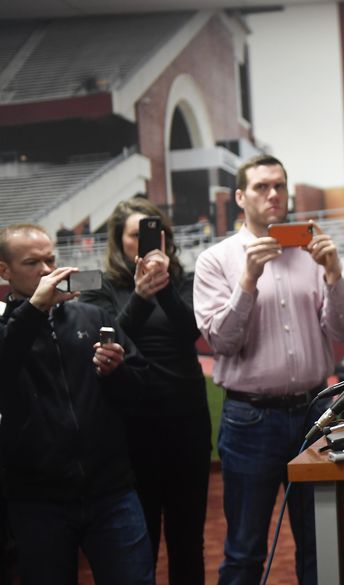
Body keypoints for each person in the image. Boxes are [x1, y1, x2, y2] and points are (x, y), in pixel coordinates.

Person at [193, 154, 344, 585]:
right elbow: (223, 342)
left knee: (319, 543)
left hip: (313, 414)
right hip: (250, 420)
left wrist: (334, 272)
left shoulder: (315, 251)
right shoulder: (217, 260)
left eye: (280, 186)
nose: (273, 194)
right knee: (245, 549)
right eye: (261, 186)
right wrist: (248, 278)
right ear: (239, 197)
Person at [0, 224, 155, 584]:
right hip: (37, 499)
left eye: (50, 259)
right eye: (31, 262)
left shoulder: (92, 316)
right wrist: (35, 308)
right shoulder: (7, 326)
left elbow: (138, 391)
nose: (45, 270)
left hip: (111, 490)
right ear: (4, 270)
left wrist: (116, 371)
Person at [80, 197, 211, 584]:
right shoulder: (100, 287)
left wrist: (164, 286)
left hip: (186, 423)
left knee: (188, 540)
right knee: (141, 540)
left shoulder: (184, 279)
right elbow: (106, 338)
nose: (147, 241)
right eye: (136, 234)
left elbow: (193, 333)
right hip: (131, 427)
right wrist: (139, 296)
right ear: (119, 242)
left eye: (156, 233)